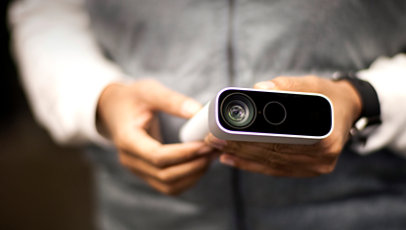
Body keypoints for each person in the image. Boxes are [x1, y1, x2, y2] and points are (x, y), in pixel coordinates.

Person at [9, 0, 406, 229]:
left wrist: (368, 98)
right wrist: (99, 97)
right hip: (144, 215)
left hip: (364, 209)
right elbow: (46, 11)